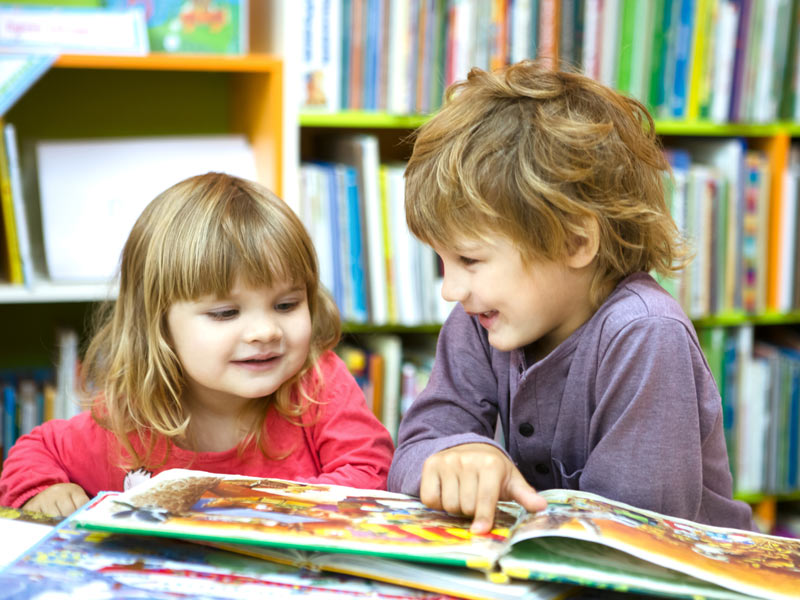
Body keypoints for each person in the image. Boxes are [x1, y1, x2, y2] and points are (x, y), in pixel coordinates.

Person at [387, 60, 754, 534]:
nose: (451, 289)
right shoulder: (482, 318)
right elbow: (413, 452)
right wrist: (456, 454)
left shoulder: (645, 335)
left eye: (470, 260)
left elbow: (629, 537)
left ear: (575, 242)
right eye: (443, 262)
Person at [0, 172, 394, 516]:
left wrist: (281, 514)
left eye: (287, 305)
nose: (266, 332)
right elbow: (35, 453)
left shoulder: (318, 384)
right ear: (160, 326)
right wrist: (45, 491)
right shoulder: (131, 416)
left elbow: (370, 468)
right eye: (225, 313)